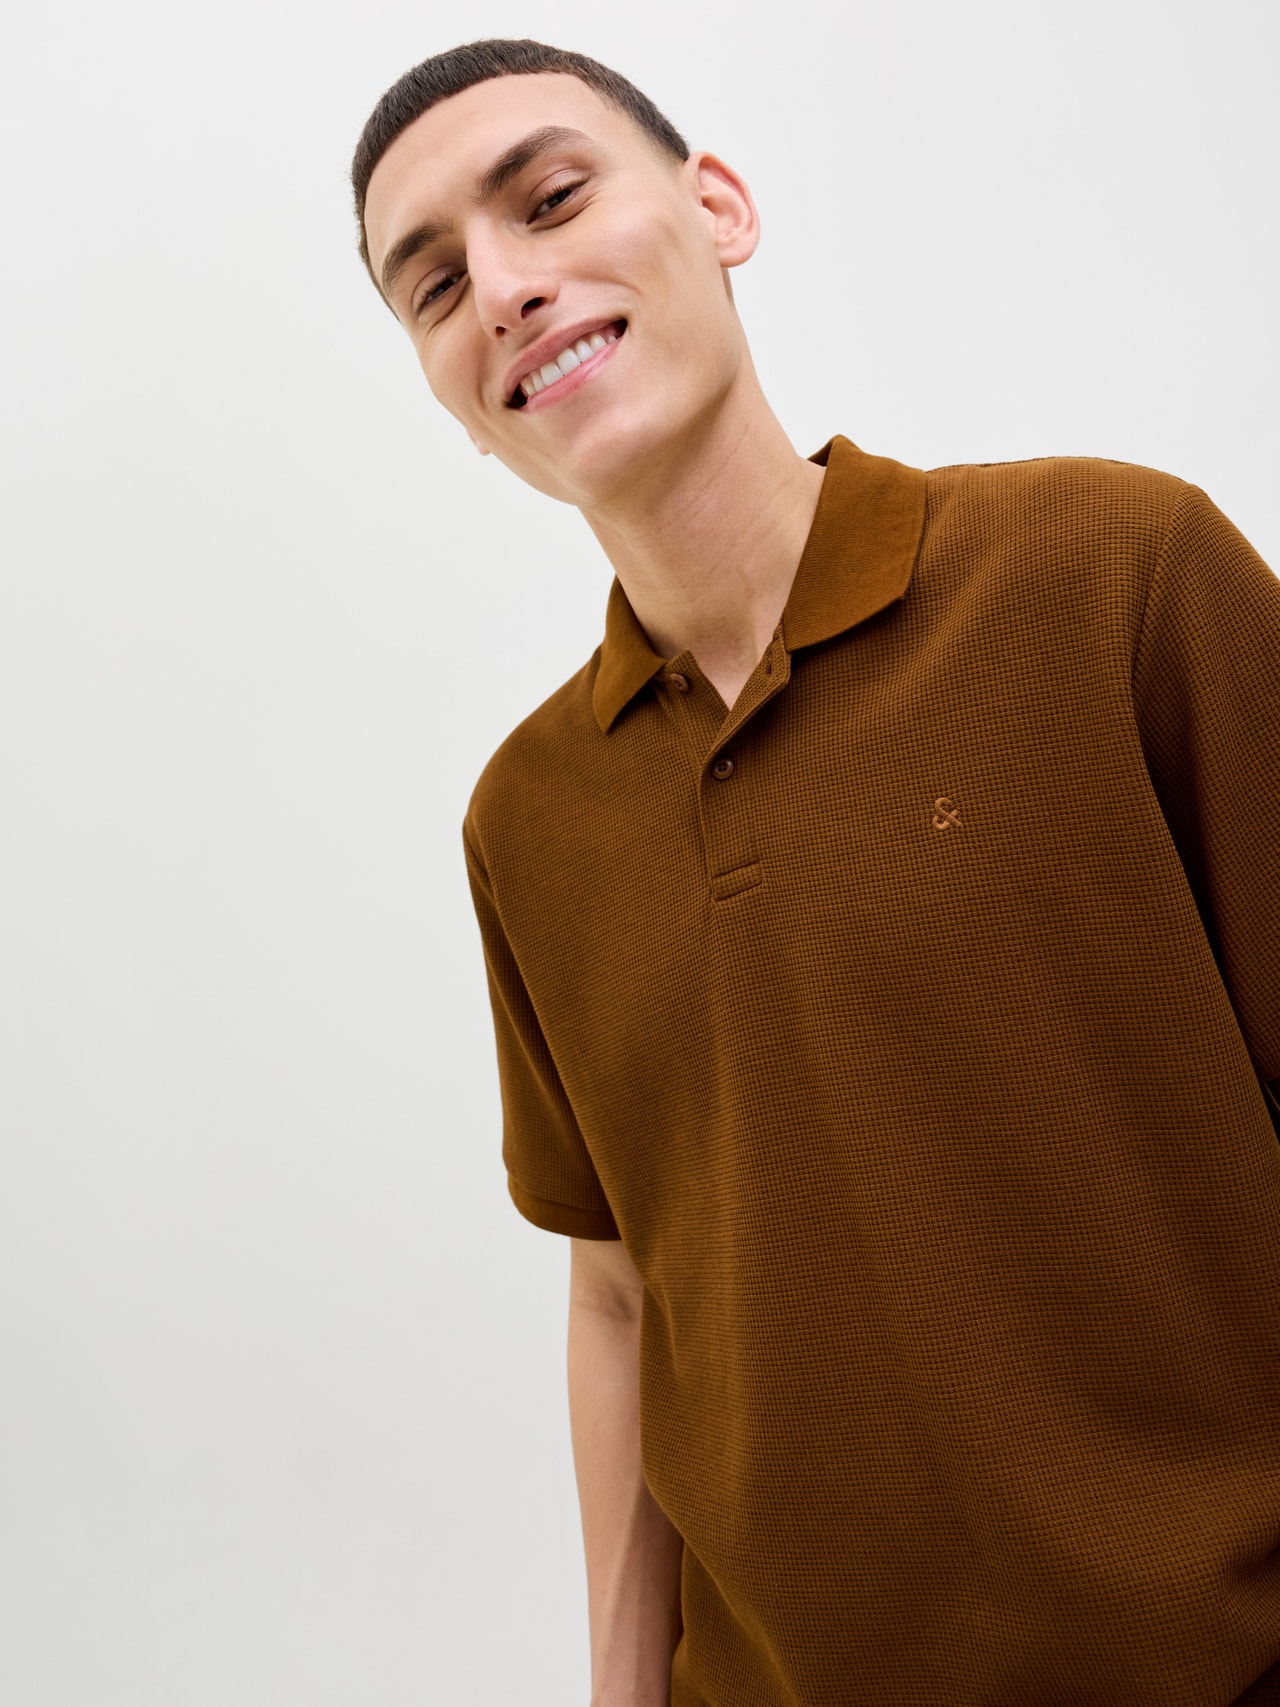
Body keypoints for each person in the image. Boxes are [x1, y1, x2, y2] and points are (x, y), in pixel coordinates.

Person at [350, 38, 1280, 1707]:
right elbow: (618, 1291)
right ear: (456, 403)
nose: (500, 287)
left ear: (719, 208)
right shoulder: (525, 819)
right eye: (432, 285)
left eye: (548, 199)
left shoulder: (1116, 575)